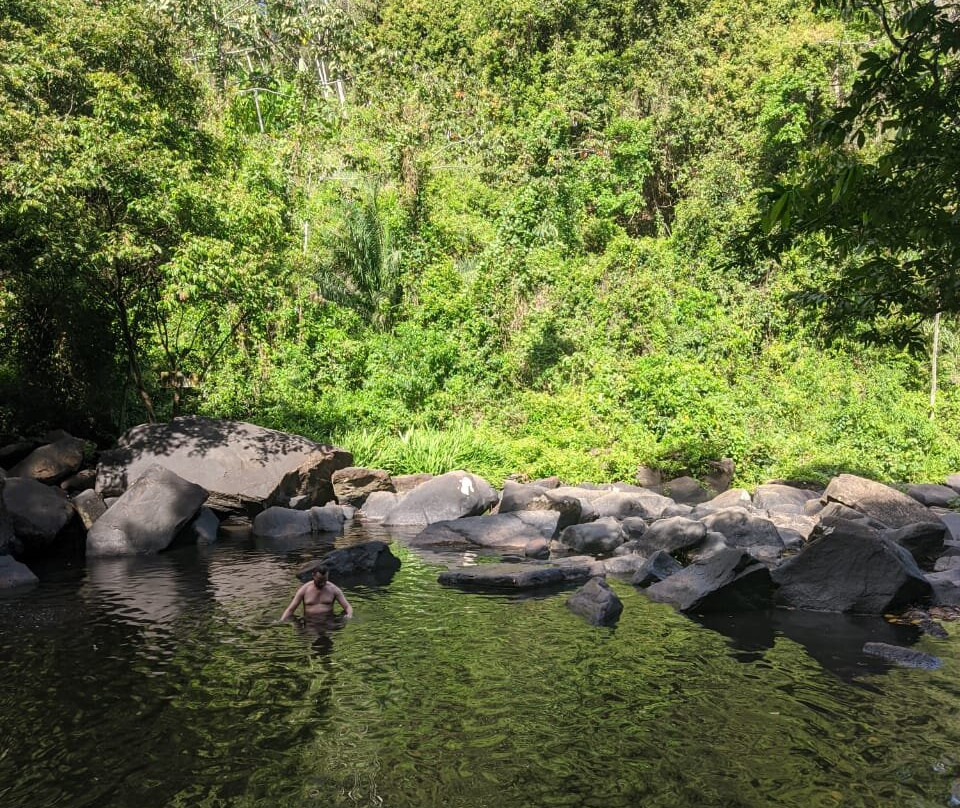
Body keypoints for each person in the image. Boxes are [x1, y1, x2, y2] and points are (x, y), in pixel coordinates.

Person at [280, 566, 353, 622]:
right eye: (320, 580)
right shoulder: (304, 589)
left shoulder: (333, 589)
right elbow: (290, 609)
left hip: (328, 621)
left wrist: (349, 615)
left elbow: (347, 606)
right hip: (309, 621)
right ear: (313, 576)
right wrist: (281, 621)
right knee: (294, 622)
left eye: (325, 580)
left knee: (343, 618)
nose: (322, 583)